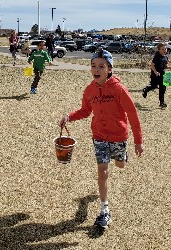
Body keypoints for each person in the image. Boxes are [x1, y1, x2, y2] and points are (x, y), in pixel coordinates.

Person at [59, 49, 144, 229]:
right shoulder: (89, 90)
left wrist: (138, 141)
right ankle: (105, 210)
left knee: (120, 165)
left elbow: (133, 114)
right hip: (99, 136)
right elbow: (85, 111)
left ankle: (122, 155)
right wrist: (69, 116)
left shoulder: (119, 89)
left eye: (101, 66)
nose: (96, 69)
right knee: (102, 170)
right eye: (93, 66)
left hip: (119, 135)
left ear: (109, 69)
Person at [142, 42, 171, 108]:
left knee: (163, 88)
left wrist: (169, 67)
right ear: (159, 50)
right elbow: (152, 65)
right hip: (155, 75)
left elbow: (165, 65)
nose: (164, 50)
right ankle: (145, 90)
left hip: (162, 74)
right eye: (162, 49)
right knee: (153, 86)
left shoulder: (165, 57)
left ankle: (162, 102)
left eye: (165, 49)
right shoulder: (157, 57)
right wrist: (155, 72)